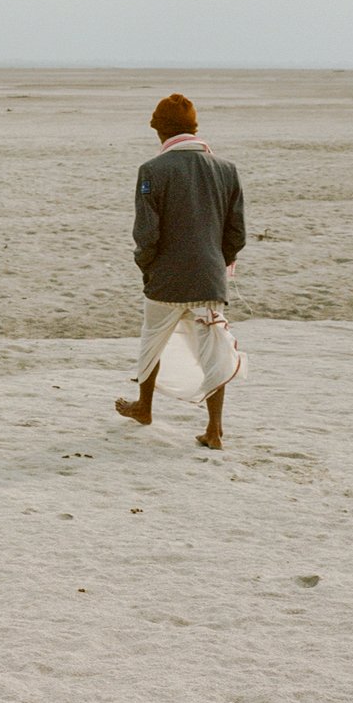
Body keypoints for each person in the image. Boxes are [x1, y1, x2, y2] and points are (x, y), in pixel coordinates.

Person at [116, 93, 246, 448]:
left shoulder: (152, 171)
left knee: (152, 341)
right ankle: (214, 430)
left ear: (159, 128)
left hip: (166, 280)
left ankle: (144, 407)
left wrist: (147, 266)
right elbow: (236, 233)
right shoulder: (226, 169)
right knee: (213, 351)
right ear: (194, 128)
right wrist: (218, 264)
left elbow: (146, 234)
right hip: (209, 278)